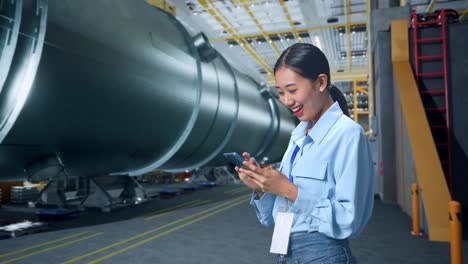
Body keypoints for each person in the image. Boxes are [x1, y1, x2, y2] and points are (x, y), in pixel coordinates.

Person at [235, 43, 374, 264]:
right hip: (285, 253)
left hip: (323, 255)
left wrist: (289, 190)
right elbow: (274, 219)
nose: (286, 101)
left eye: (292, 90)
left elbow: (350, 220)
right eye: (280, 93)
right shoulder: (297, 137)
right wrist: (262, 188)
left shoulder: (348, 135)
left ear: (321, 82)